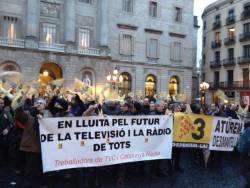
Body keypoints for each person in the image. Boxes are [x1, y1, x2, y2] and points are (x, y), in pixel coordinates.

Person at [20, 98, 47, 188]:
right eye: (37, 103)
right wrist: (20, 104)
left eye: (41, 103)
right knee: (30, 167)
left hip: (43, 146)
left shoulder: (48, 115)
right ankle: (28, 183)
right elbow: (19, 116)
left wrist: (43, 120)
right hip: (30, 145)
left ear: (45, 106)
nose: (39, 104)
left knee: (40, 167)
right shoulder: (28, 114)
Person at [239, 112, 250, 188]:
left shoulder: (249, 129)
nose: (243, 119)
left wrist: (244, 152)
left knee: (244, 171)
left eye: (244, 117)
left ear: (249, 119)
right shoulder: (246, 127)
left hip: (246, 154)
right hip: (244, 153)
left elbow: (247, 142)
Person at [0, 97, 12, 167]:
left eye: (2, 103)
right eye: (0, 103)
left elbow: (11, 123)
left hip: (4, 140)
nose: (1, 105)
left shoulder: (6, 113)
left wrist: (7, 129)